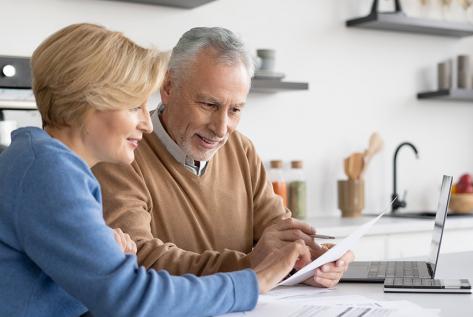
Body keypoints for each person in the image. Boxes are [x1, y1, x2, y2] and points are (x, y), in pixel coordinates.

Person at [0, 23, 311, 317]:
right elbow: (131, 296)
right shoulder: (47, 171)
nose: (147, 122)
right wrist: (252, 282)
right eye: (135, 105)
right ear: (90, 103)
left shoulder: (44, 163)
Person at [92, 27, 353, 287]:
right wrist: (251, 265)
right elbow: (140, 258)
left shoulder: (241, 149)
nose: (221, 128)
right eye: (209, 105)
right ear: (169, 87)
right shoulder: (122, 153)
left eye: (235, 109)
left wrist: (312, 261)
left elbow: (279, 232)